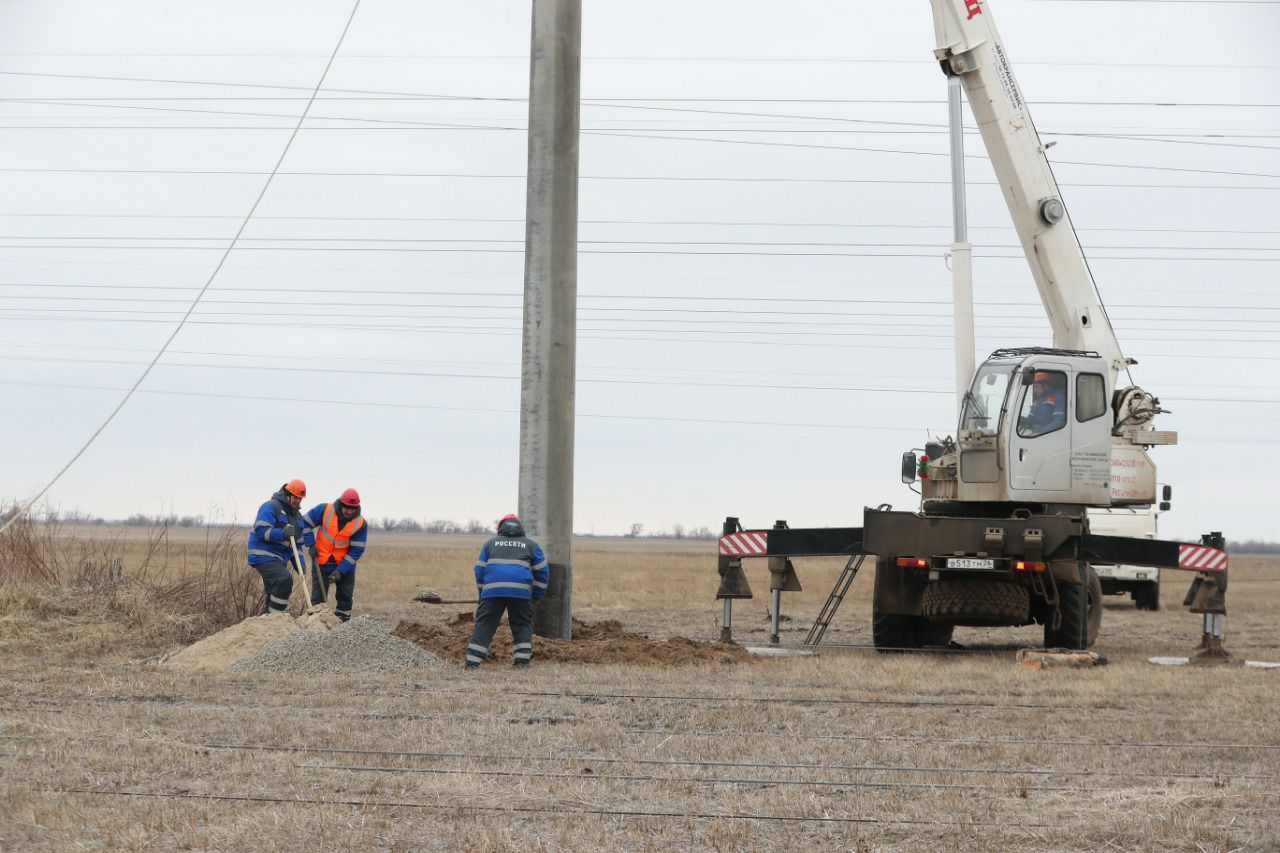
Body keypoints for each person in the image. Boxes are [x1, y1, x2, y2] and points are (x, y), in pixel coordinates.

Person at [465, 514, 549, 669]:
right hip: (521, 594)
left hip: (492, 592)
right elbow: (543, 572)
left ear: (500, 528)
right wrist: (535, 596)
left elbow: (479, 569)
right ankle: (522, 663)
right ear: (520, 527)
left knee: (485, 624)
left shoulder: (490, 544)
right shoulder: (531, 545)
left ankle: (471, 664)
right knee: (522, 624)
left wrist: (482, 593)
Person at [302, 487, 367, 622]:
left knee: (345, 597)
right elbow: (304, 523)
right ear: (341, 504)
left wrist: (341, 571)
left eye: (352, 509)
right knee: (318, 599)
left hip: (345, 565)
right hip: (321, 562)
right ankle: (316, 629)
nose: (349, 511)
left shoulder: (360, 523)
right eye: (347, 507)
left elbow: (356, 551)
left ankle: (342, 627)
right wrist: (311, 544)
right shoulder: (324, 510)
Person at [246, 479, 308, 615]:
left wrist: (300, 565)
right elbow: (261, 530)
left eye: (300, 498)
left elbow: (296, 546)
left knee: (274, 591)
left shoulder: (298, 518)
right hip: (262, 555)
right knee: (283, 580)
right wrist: (282, 533)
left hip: (279, 559)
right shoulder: (271, 507)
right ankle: (273, 619)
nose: (298, 501)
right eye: (296, 497)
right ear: (287, 494)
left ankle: (265, 622)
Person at [1019, 371, 1067, 436]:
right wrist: (1019, 419)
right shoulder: (1039, 400)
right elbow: (1031, 421)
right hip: (1035, 434)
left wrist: (1040, 433)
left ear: (1045, 386)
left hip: (1048, 437)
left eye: (1036, 387)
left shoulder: (1058, 397)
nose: (1034, 390)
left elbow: (1059, 422)